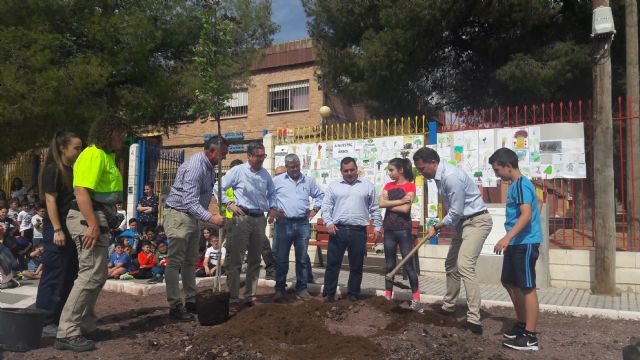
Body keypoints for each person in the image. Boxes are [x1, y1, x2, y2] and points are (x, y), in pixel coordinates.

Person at [55, 115, 128, 352]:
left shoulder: (105, 156)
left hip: (96, 218)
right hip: (87, 219)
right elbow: (81, 191)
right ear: (110, 133)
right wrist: (93, 224)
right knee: (89, 275)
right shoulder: (94, 154)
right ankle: (67, 331)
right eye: (121, 132)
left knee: (96, 276)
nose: (124, 137)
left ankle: (84, 324)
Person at [414, 147, 493, 335]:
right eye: (418, 170)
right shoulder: (439, 178)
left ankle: (474, 319)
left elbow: (456, 210)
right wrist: (441, 225)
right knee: (451, 264)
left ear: (433, 163)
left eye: (422, 168)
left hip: (477, 221)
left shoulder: (450, 177)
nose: (421, 173)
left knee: (465, 265)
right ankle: (449, 306)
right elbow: (455, 212)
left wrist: (438, 226)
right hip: (463, 223)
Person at [163, 136, 227, 321]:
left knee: (190, 261)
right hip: (179, 215)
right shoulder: (196, 167)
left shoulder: (209, 167)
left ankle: (191, 301)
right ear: (212, 151)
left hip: (191, 217)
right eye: (223, 153)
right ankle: (175, 305)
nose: (225, 157)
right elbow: (189, 201)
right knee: (175, 262)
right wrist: (212, 218)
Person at [214, 142, 278, 309]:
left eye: (263, 156)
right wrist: (229, 204)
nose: (261, 159)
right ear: (249, 156)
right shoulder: (238, 171)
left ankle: (250, 295)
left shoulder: (265, 174)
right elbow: (218, 186)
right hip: (241, 219)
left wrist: (272, 208)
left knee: (255, 260)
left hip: (259, 219)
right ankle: (234, 298)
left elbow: (272, 193)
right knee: (236, 260)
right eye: (258, 156)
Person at [489, 148, 541, 351]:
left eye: (497, 170)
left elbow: (526, 215)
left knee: (527, 287)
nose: (496, 174)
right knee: (509, 282)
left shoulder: (520, 185)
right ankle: (521, 324)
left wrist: (507, 237)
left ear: (508, 167)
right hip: (516, 242)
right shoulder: (516, 185)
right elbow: (537, 206)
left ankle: (530, 336)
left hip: (524, 242)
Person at [35, 131, 83, 338]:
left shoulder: (72, 171)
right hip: (57, 230)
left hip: (69, 230)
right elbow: (50, 201)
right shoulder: (54, 170)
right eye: (76, 147)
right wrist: (57, 229)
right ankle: (45, 322)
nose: (79, 151)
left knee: (69, 274)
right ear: (63, 148)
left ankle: (59, 318)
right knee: (54, 275)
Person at [321, 157, 382, 303]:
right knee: (332, 264)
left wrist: (378, 226)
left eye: (352, 170)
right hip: (337, 230)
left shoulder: (367, 186)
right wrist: (328, 223)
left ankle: (353, 293)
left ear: (357, 169)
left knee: (356, 264)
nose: (349, 173)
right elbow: (326, 207)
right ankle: (329, 294)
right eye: (346, 170)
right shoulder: (333, 186)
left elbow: (374, 208)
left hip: (358, 231)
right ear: (341, 171)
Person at [271, 154, 324, 302]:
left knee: (301, 259)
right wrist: (273, 210)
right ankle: (280, 289)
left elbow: (321, 195)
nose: (295, 169)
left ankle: (302, 289)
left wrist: (314, 210)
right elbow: (268, 196)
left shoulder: (307, 181)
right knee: (282, 259)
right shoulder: (277, 181)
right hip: (283, 224)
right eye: (292, 167)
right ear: (286, 167)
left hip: (302, 224)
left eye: (297, 166)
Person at [215, 159, 276, 279]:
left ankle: (271, 270)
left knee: (263, 244)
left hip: (250, 217)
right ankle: (229, 273)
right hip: (232, 219)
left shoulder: (248, 182)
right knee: (231, 248)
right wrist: (227, 208)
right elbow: (220, 198)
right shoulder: (226, 185)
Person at [379, 158, 423, 313]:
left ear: (401, 170)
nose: (389, 173)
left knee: (408, 265)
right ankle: (387, 296)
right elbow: (381, 203)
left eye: (391, 170)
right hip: (389, 229)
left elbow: (406, 210)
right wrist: (399, 201)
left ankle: (416, 298)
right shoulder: (388, 185)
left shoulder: (410, 186)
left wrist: (390, 204)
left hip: (404, 230)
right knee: (389, 264)